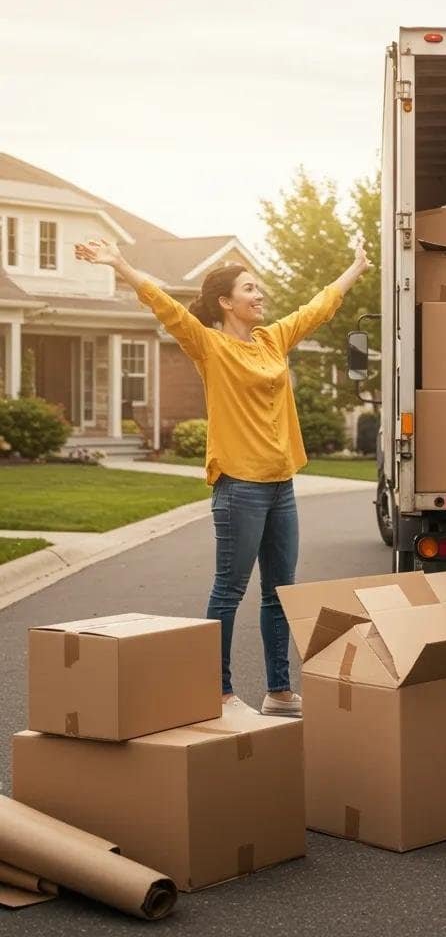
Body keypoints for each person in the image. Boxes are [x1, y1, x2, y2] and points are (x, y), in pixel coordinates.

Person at [74, 237, 371, 715]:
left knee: (280, 591)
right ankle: (219, 691)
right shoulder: (209, 346)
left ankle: (278, 691)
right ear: (225, 302)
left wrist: (355, 266)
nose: (260, 295)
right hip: (240, 486)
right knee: (229, 591)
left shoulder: (271, 339)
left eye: (259, 288)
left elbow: (319, 308)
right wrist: (121, 264)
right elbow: (165, 306)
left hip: (281, 484)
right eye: (250, 288)